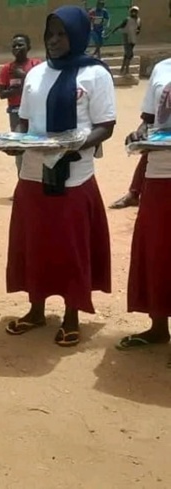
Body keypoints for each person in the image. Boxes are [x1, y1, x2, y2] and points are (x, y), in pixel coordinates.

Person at [4, 6, 116, 347]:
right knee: (34, 244)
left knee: (70, 247)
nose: (54, 40)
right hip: (34, 174)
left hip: (73, 178)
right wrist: (15, 143)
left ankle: (71, 316)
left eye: (62, 33)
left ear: (77, 35)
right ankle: (36, 309)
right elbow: (24, 123)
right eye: (50, 34)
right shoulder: (36, 75)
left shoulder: (95, 75)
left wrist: (76, 145)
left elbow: (105, 126)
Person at [116, 57, 171, 351]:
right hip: (159, 173)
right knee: (157, 251)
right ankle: (159, 327)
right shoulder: (163, 68)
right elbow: (149, 120)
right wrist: (139, 134)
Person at [0, 34, 42, 180]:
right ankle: (22, 181)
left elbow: (42, 85)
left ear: (28, 47)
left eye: (20, 45)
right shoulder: (6, 69)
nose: (17, 48)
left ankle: (39, 180)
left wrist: (23, 75)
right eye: (14, 45)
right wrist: (15, 91)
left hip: (35, 111)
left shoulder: (36, 65)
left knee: (38, 143)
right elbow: (2, 94)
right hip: (16, 112)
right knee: (19, 146)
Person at [110, 6, 141, 76]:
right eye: (132, 11)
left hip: (133, 39)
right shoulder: (127, 19)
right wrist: (113, 31)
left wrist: (137, 32)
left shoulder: (138, 20)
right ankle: (126, 71)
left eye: (135, 11)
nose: (134, 13)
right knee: (130, 54)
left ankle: (122, 69)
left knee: (126, 55)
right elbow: (120, 26)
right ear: (130, 12)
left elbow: (138, 29)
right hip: (127, 39)